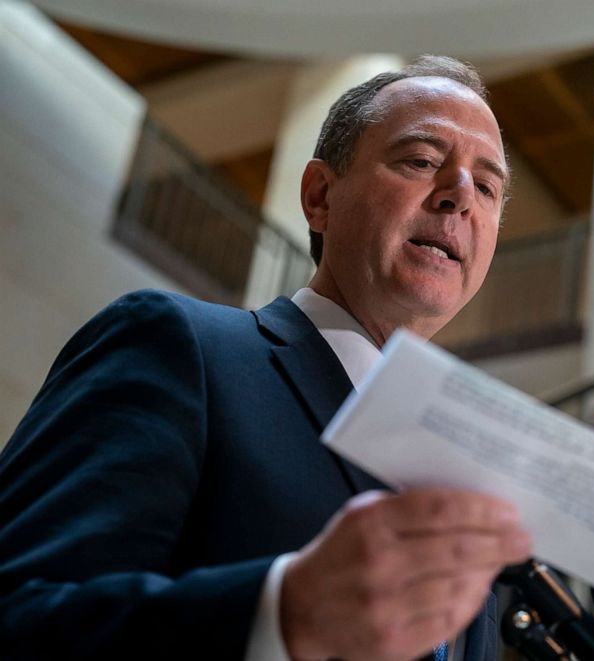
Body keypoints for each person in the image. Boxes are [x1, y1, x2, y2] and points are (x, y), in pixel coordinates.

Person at [0, 56, 533, 661]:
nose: (460, 196)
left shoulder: (465, 480)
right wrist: (282, 613)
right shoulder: (180, 347)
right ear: (319, 197)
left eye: (486, 186)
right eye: (421, 161)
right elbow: (19, 609)